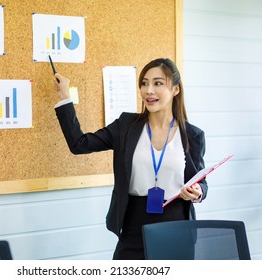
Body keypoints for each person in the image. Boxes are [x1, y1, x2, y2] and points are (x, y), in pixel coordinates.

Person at [53, 58, 208, 260]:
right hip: (134, 222)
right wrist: (65, 96)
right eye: (144, 83)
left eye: (158, 83)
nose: (148, 90)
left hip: (176, 222)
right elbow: (79, 144)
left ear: (176, 89)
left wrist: (197, 192)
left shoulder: (193, 135)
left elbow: (201, 182)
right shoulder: (126, 126)